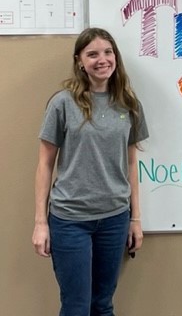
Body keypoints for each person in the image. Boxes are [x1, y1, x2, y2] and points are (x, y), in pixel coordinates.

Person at [32, 27, 149, 316]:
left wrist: (135, 218)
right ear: (80, 61)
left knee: (102, 305)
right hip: (70, 220)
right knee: (76, 307)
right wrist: (40, 223)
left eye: (108, 52)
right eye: (92, 54)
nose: (102, 60)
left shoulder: (129, 104)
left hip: (114, 219)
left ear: (116, 57)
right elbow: (45, 164)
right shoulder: (62, 103)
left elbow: (131, 163)